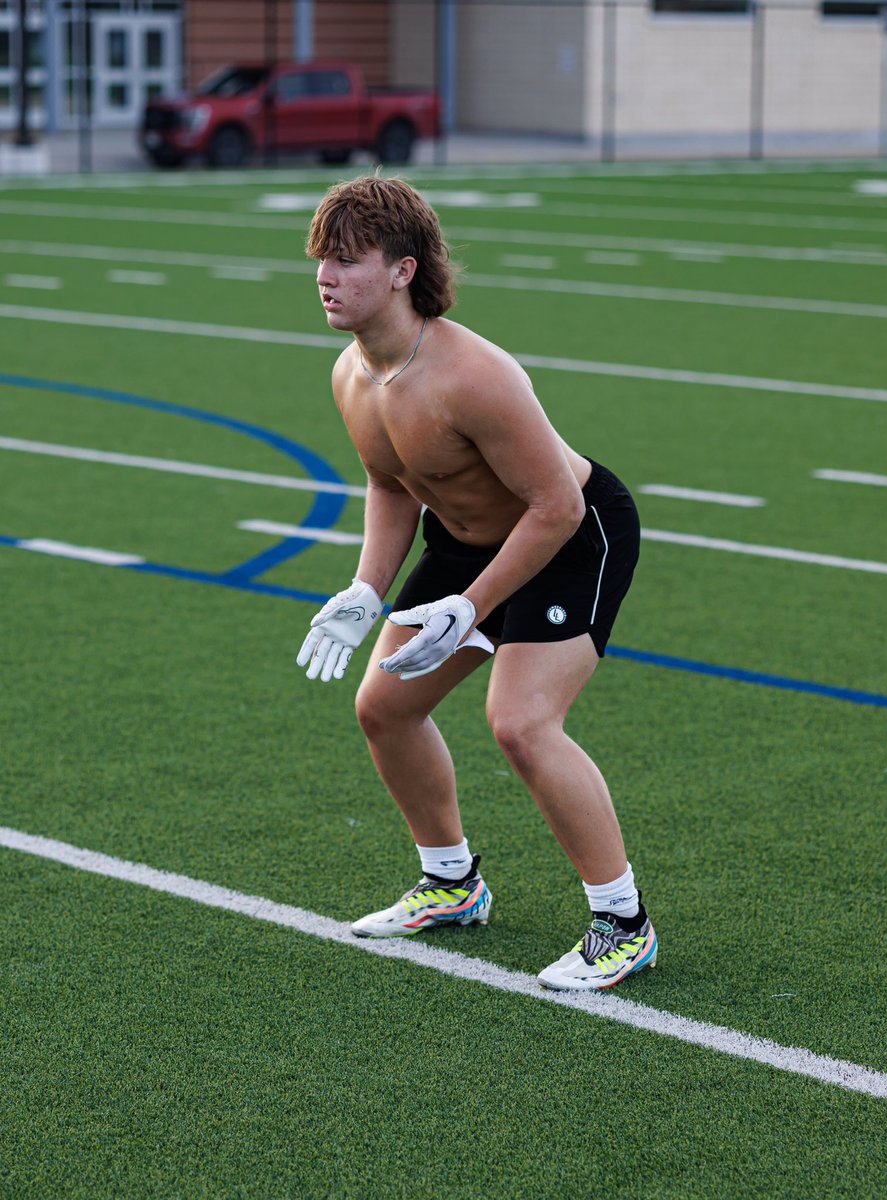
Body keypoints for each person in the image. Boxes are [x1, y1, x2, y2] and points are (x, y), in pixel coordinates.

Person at [296, 175, 656, 991]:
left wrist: (471, 608)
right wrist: (367, 590)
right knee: (384, 707)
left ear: (403, 271)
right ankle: (452, 883)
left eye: (348, 260)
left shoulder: (473, 374)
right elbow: (390, 483)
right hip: (466, 542)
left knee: (522, 724)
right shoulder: (351, 373)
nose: (325, 276)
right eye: (322, 258)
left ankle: (624, 922)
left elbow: (557, 506)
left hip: (572, 535)